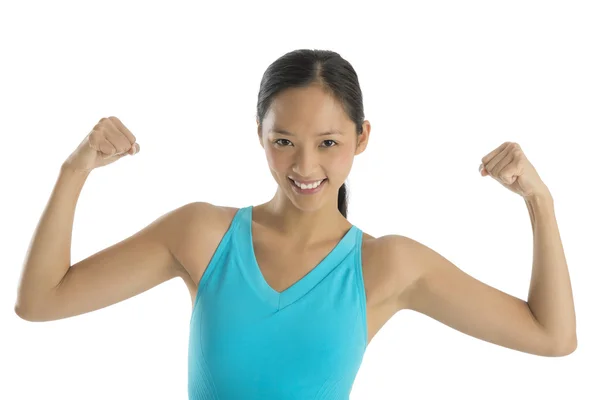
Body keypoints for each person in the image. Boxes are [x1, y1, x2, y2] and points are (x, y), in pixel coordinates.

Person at [14, 49, 577, 399]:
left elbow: (552, 337)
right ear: (259, 136)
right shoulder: (201, 237)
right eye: (283, 142)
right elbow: (40, 300)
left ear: (362, 138)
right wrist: (75, 169)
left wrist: (539, 204)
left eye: (328, 143)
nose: (305, 167)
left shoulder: (387, 266)